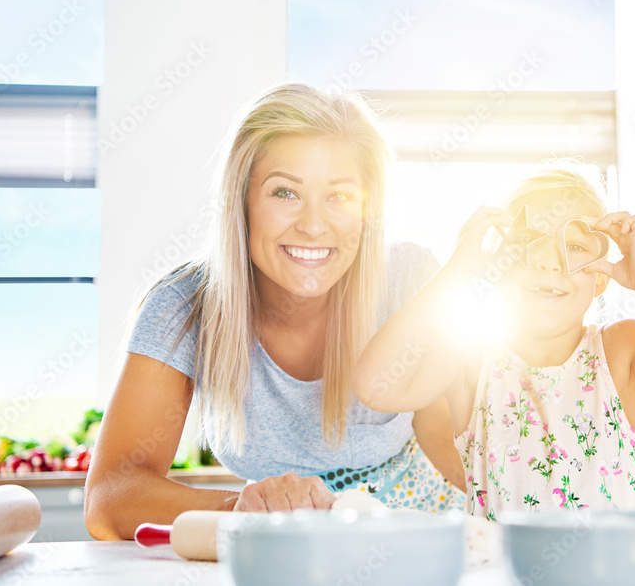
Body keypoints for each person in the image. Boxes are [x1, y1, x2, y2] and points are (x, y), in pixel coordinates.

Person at [85, 84, 464, 541]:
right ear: (241, 202)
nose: (313, 225)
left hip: (416, 531)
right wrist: (246, 508)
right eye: (285, 192)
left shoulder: (410, 279)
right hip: (282, 543)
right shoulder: (183, 308)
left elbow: (454, 437)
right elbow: (110, 498)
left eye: (340, 196)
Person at [353, 166, 635, 520]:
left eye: (576, 247)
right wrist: (457, 270)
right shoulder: (468, 357)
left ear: (601, 275)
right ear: (498, 264)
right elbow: (374, 386)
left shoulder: (624, 351)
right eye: (528, 243)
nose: (550, 262)